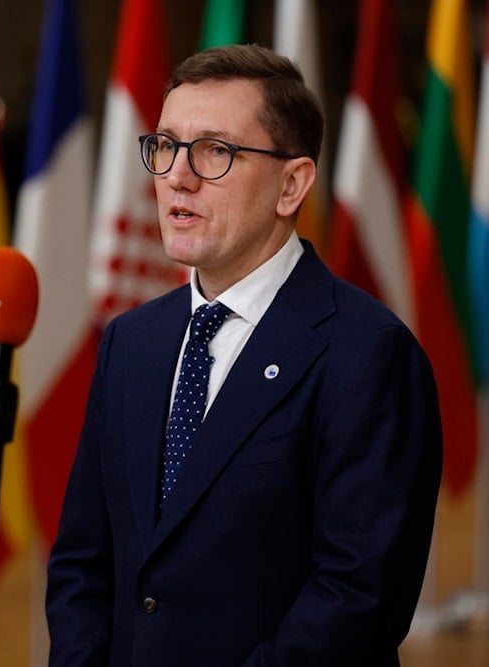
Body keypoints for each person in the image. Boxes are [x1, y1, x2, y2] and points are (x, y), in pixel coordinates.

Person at [46, 43, 442, 666]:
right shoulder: (131, 341)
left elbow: (358, 598)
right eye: (167, 146)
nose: (177, 174)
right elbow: (82, 562)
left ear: (292, 185)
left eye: (215, 151)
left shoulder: (370, 355)